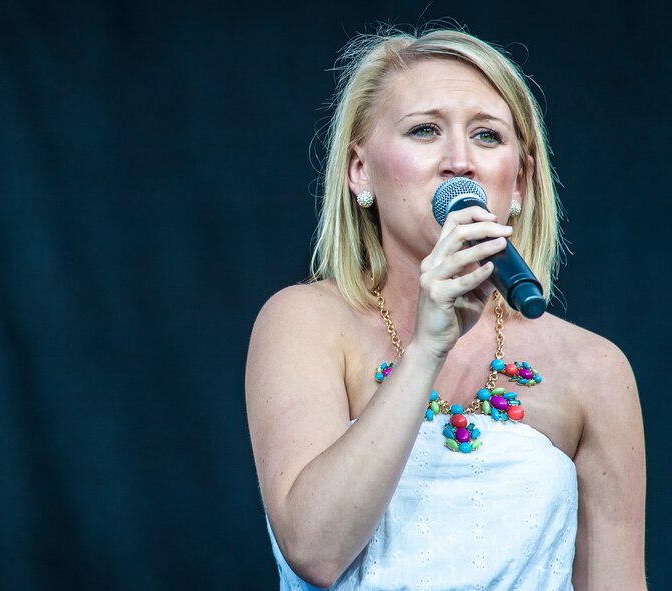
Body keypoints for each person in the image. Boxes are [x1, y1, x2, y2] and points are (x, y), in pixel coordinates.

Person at [245, 27, 646, 590]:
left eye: (486, 135)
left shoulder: (595, 368)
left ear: (519, 181)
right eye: (425, 130)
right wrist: (426, 350)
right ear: (360, 170)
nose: (460, 161)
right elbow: (314, 549)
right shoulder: (305, 324)